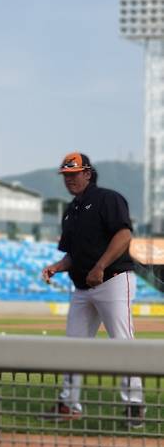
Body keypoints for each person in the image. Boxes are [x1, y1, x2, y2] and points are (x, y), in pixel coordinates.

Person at [41, 152, 144, 427]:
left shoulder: (107, 199)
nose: (69, 180)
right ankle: (69, 404)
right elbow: (72, 255)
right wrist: (57, 266)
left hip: (112, 279)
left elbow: (124, 235)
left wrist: (100, 266)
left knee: (122, 342)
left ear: (88, 173)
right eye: (66, 175)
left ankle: (134, 404)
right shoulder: (71, 210)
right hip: (82, 286)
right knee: (73, 347)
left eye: (74, 174)